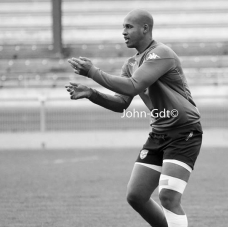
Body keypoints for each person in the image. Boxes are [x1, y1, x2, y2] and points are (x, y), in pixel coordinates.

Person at [66, 9, 202, 227]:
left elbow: (134, 85)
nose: (123, 32)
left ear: (145, 28)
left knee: (168, 197)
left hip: (184, 131)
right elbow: (122, 102)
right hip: (159, 133)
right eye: (123, 27)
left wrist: (93, 72)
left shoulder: (161, 52)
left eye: (128, 27)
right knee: (136, 195)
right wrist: (92, 94)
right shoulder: (130, 64)